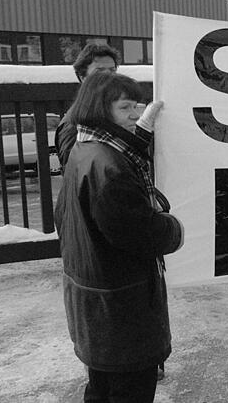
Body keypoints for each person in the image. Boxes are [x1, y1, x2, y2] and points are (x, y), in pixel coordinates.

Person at [55, 71, 183, 401]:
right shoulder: (108, 169)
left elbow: (120, 161)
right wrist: (174, 229)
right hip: (122, 311)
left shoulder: (86, 150)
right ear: (100, 109)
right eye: (125, 107)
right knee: (130, 391)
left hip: (96, 304)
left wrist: (141, 133)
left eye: (136, 107)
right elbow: (142, 233)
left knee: (101, 388)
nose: (135, 115)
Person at [55, 42, 122, 170]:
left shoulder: (111, 113)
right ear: (82, 77)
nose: (109, 76)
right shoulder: (73, 124)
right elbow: (75, 176)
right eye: (99, 71)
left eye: (112, 70)